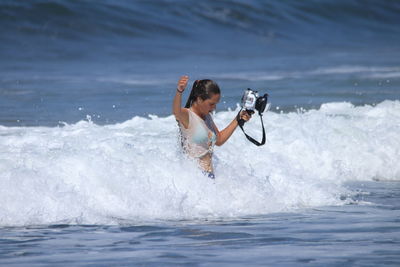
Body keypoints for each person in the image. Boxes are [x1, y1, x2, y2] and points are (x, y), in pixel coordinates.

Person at [172, 75, 252, 178]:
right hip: (195, 177)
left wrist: (237, 119)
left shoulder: (207, 117)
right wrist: (179, 91)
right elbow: (176, 112)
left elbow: (219, 140)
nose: (214, 108)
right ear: (200, 99)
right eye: (211, 104)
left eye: (216, 104)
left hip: (209, 176)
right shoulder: (188, 116)